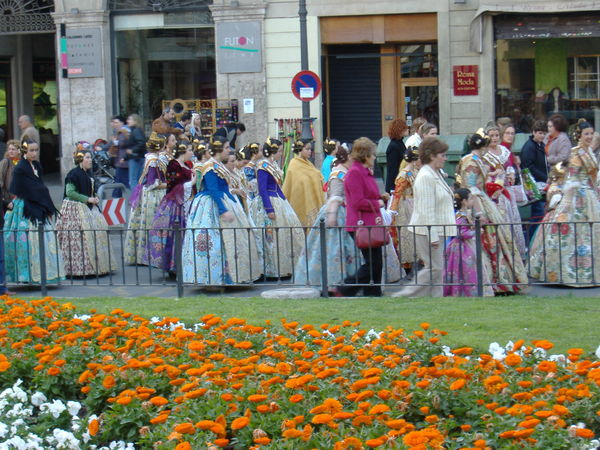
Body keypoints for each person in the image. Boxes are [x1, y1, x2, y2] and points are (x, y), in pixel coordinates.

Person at [455, 132, 528, 294]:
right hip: (476, 202)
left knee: (493, 238)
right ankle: (489, 280)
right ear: (482, 147)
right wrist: (479, 212)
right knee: (486, 239)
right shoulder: (471, 162)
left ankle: (495, 279)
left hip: (480, 199)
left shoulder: (474, 160)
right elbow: (472, 188)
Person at [529, 119, 600, 287]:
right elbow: (573, 179)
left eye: (591, 133)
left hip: (590, 197)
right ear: (579, 136)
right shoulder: (576, 154)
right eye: (586, 134)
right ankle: (566, 273)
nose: (589, 137)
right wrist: (566, 202)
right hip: (577, 197)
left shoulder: (589, 152)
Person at [182, 139, 261, 285]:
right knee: (215, 241)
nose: (228, 151)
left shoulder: (217, 165)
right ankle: (213, 278)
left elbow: (224, 189)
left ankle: (230, 275)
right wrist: (223, 210)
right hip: (210, 205)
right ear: (218, 150)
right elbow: (213, 190)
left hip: (225, 201)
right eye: (226, 148)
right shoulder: (210, 166)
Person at [393, 137, 456, 298]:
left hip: (435, 229)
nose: (445, 158)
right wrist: (433, 235)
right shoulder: (426, 176)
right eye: (442, 155)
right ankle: (407, 295)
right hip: (427, 230)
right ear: (432, 156)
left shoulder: (435, 173)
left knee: (436, 268)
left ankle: (436, 299)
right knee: (433, 268)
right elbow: (427, 209)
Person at [294, 146, 359, 288]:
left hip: (345, 212)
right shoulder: (338, 174)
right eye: (353, 158)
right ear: (347, 157)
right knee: (333, 248)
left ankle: (349, 281)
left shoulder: (345, 171)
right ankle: (332, 282)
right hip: (337, 213)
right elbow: (335, 196)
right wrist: (332, 215)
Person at [4, 140, 64, 284]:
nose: (34, 153)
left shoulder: (37, 165)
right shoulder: (20, 168)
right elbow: (25, 189)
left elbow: (40, 185)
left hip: (39, 204)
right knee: (26, 242)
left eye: (36, 150)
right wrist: (42, 195)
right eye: (31, 150)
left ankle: (45, 275)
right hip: (26, 207)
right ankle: (27, 276)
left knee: (45, 239)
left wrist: (45, 202)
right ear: (24, 151)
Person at [337, 137, 388, 297]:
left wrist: (380, 197)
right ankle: (345, 289)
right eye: (373, 154)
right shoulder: (355, 173)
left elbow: (368, 194)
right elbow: (357, 201)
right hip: (361, 224)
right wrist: (378, 203)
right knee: (373, 263)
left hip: (370, 222)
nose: (374, 158)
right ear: (365, 155)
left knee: (375, 263)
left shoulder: (364, 172)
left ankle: (372, 293)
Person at [249, 137, 304, 278]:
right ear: (272, 151)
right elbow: (262, 189)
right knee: (270, 238)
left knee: (286, 234)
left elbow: (278, 187)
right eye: (279, 151)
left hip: (278, 200)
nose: (281, 154)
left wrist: (285, 202)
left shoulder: (273, 165)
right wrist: (269, 209)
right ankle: (270, 270)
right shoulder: (262, 166)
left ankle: (285, 267)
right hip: (268, 202)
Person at [56, 150, 117, 277]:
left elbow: (91, 189)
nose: (90, 160)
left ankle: (97, 267)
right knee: (80, 238)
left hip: (89, 207)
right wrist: (87, 199)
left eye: (90, 158)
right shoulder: (73, 174)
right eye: (87, 158)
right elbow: (70, 192)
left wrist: (94, 197)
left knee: (97, 233)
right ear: (80, 160)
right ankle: (79, 269)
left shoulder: (88, 173)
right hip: (75, 208)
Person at [144, 142, 195, 273]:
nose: (192, 153)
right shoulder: (173, 165)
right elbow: (172, 186)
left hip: (187, 201)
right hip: (175, 203)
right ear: (183, 152)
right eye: (190, 150)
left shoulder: (187, 164)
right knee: (175, 233)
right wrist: (191, 183)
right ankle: (174, 265)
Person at [483, 125, 526, 258]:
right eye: (492, 136)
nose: (495, 138)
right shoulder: (484, 153)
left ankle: (515, 253)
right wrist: (494, 175)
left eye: (497, 135)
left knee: (511, 219)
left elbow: (509, 167)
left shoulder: (504, 151)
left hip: (506, 191)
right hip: (492, 192)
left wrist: (511, 174)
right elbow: (483, 172)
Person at [124, 133, 168, 265]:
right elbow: (152, 183)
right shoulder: (153, 161)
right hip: (152, 196)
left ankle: (142, 255)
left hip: (149, 193)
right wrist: (169, 184)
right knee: (151, 223)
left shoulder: (152, 158)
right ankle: (148, 256)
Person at [443, 188, 493, 297]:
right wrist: (475, 231)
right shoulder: (461, 216)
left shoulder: (466, 214)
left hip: (466, 245)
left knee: (466, 269)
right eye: (470, 199)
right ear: (464, 201)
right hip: (462, 247)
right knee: (465, 269)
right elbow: (460, 232)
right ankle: (466, 292)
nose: (472, 201)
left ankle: (468, 291)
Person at [389, 147, 421, 272]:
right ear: (414, 160)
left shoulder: (414, 171)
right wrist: (393, 211)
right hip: (406, 205)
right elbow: (397, 194)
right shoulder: (405, 174)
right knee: (407, 235)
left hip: (413, 203)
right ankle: (408, 265)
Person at [282, 140, 325, 227]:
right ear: (300, 149)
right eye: (307, 149)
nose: (310, 151)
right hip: (300, 200)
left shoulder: (308, 163)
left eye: (311, 149)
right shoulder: (294, 164)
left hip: (311, 200)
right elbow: (292, 186)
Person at [520, 120, 549, 240]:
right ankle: (530, 239)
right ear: (534, 132)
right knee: (537, 214)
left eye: (544, 133)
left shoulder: (540, 145)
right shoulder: (530, 147)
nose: (542, 136)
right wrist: (544, 176)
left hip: (541, 183)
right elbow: (528, 166)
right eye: (540, 133)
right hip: (535, 184)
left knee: (540, 214)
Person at [384, 119, 409, 194]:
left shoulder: (400, 143)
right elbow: (392, 169)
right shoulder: (394, 146)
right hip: (395, 185)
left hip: (401, 180)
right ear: (400, 130)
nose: (408, 129)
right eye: (405, 128)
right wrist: (392, 188)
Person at [125, 114, 146, 190]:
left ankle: (135, 199)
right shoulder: (137, 130)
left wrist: (132, 150)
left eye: (130, 119)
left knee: (133, 180)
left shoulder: (135, 131)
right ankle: (139, 198)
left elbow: (141, 143)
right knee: (139, 180)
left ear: (135, 121)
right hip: (138, 157)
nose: (128, 121)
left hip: (135, 158)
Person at [111, 115, 130, 197]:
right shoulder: (120, 132)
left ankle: (116, 197)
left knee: (121, 181)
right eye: (113, 122)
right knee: (122, 181)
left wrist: (115, 142)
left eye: (116, 122)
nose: (114, 124)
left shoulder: (124, 131)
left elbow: (123, 143)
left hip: (123, 161)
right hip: (123, 161)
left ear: (122, 123)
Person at [0, 140, 20, 205]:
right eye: (9, 149)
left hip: (19, 199)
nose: (10, 151)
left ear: (18, 151)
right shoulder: (5, 162)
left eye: (13, 149)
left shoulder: (21, 163)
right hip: (7, 199)